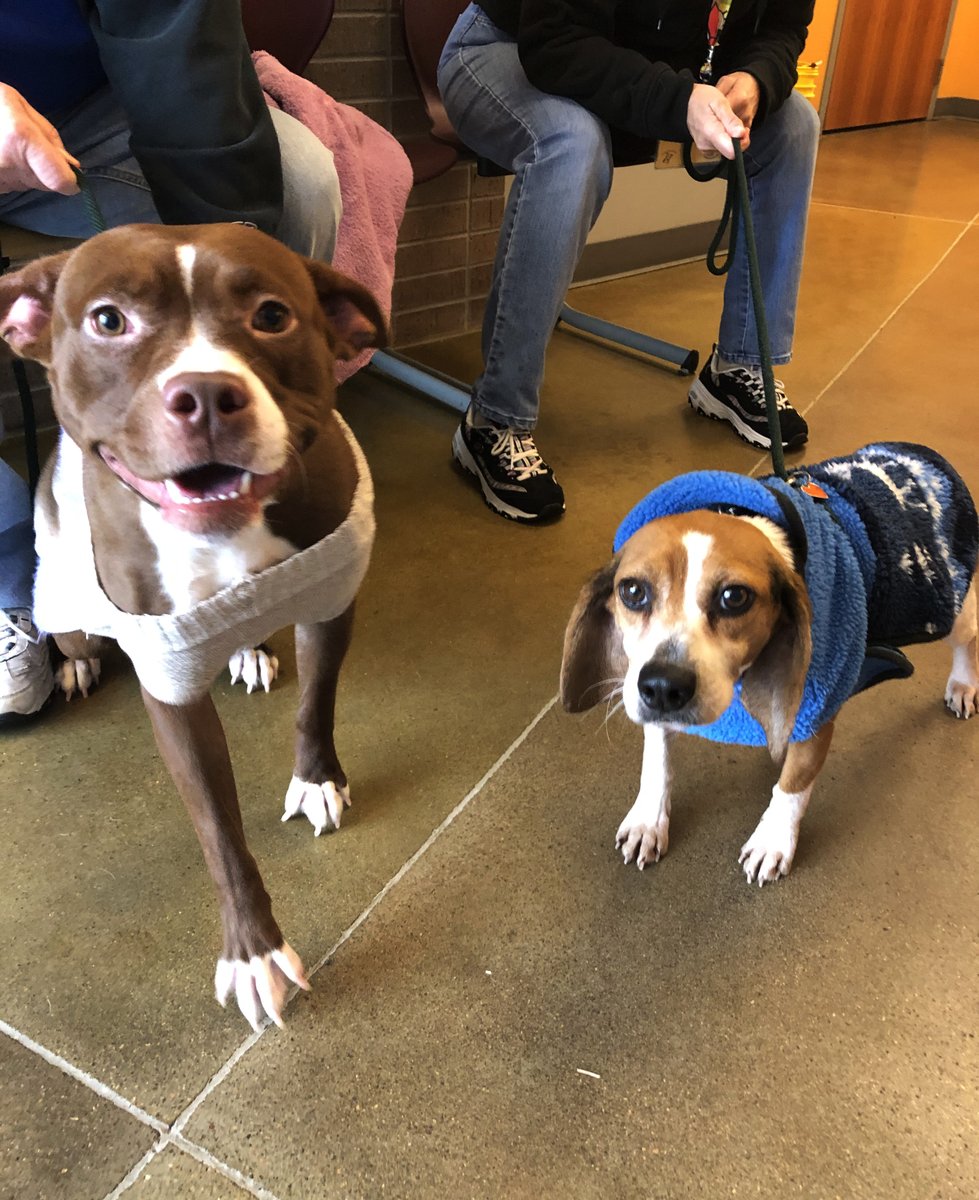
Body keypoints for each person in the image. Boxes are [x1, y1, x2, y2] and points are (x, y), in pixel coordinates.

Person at [0, 0, 343, 726]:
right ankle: (9, 582)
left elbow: (175, 25)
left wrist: (242, 261)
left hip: (96, 104)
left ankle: (258, 498)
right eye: (110, 323)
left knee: (303, 177)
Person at [437, 0, 820, 524]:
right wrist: (679, 98)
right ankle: (494, 419)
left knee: (795, 124)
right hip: (510, 47)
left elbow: (782, 26)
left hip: (653, 68)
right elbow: (555, 43)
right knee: (572, 142)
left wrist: (757, 78)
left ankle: (739, 367)